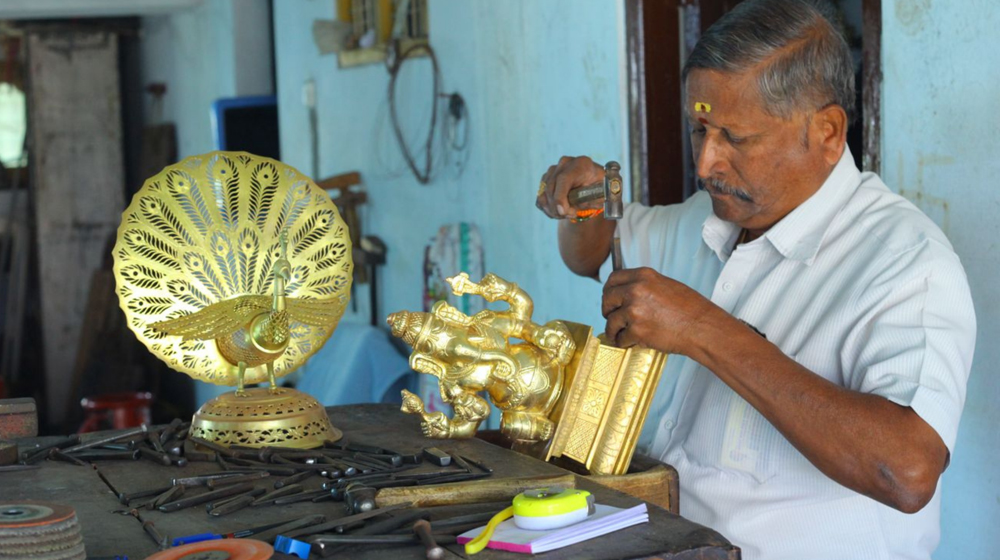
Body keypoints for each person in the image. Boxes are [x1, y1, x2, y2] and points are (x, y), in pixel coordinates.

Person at [535, 1, 975, 559]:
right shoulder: (708, 216)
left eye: (736, 139)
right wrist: (584, 205)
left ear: (828, 132)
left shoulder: (905, 262)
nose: (706, 164)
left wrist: (703, 330)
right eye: (700, 130)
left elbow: (907, 472)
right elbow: (594, 255)